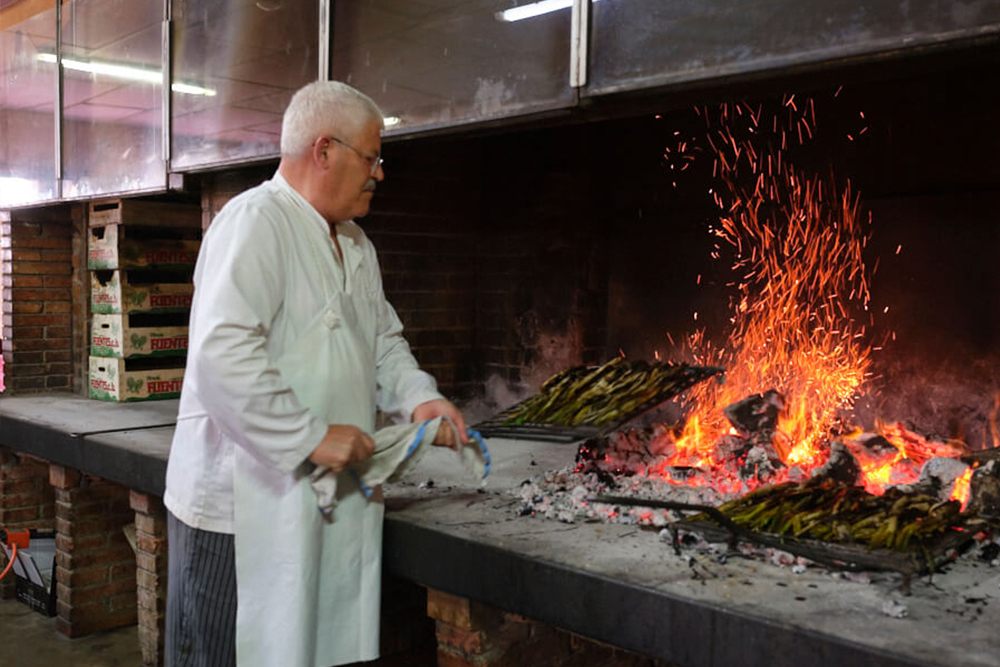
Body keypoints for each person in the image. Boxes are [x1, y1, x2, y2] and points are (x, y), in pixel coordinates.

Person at [163, 80, 468, 667]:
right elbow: (221, 356)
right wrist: (310, 437)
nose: (379, 173)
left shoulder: (357, 245)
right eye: (372, 157)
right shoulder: (254, 223)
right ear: (323, 150)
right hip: (237, 513)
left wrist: (418, 399)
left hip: (318, 505)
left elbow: (381, 342)